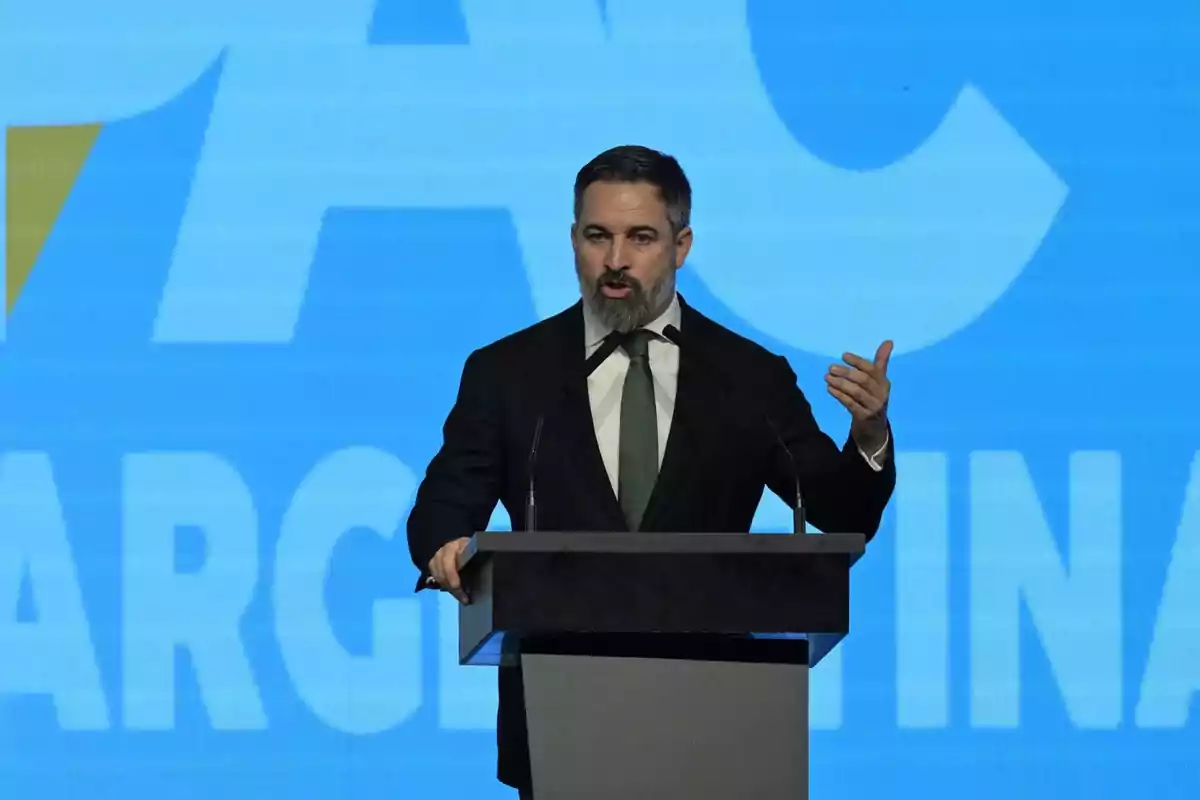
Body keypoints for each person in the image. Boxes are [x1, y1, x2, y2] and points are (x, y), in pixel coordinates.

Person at [406, 144, 896, 797]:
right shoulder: (508, 373)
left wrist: (867, 436)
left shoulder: (748, 376)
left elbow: (841, 512)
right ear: (573, 240)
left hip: (719, 711)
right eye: (596, 236)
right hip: (560, 715)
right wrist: (444, 547)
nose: (615, 261)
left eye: (640, 238)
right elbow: (444, 505)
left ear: (681, 244)